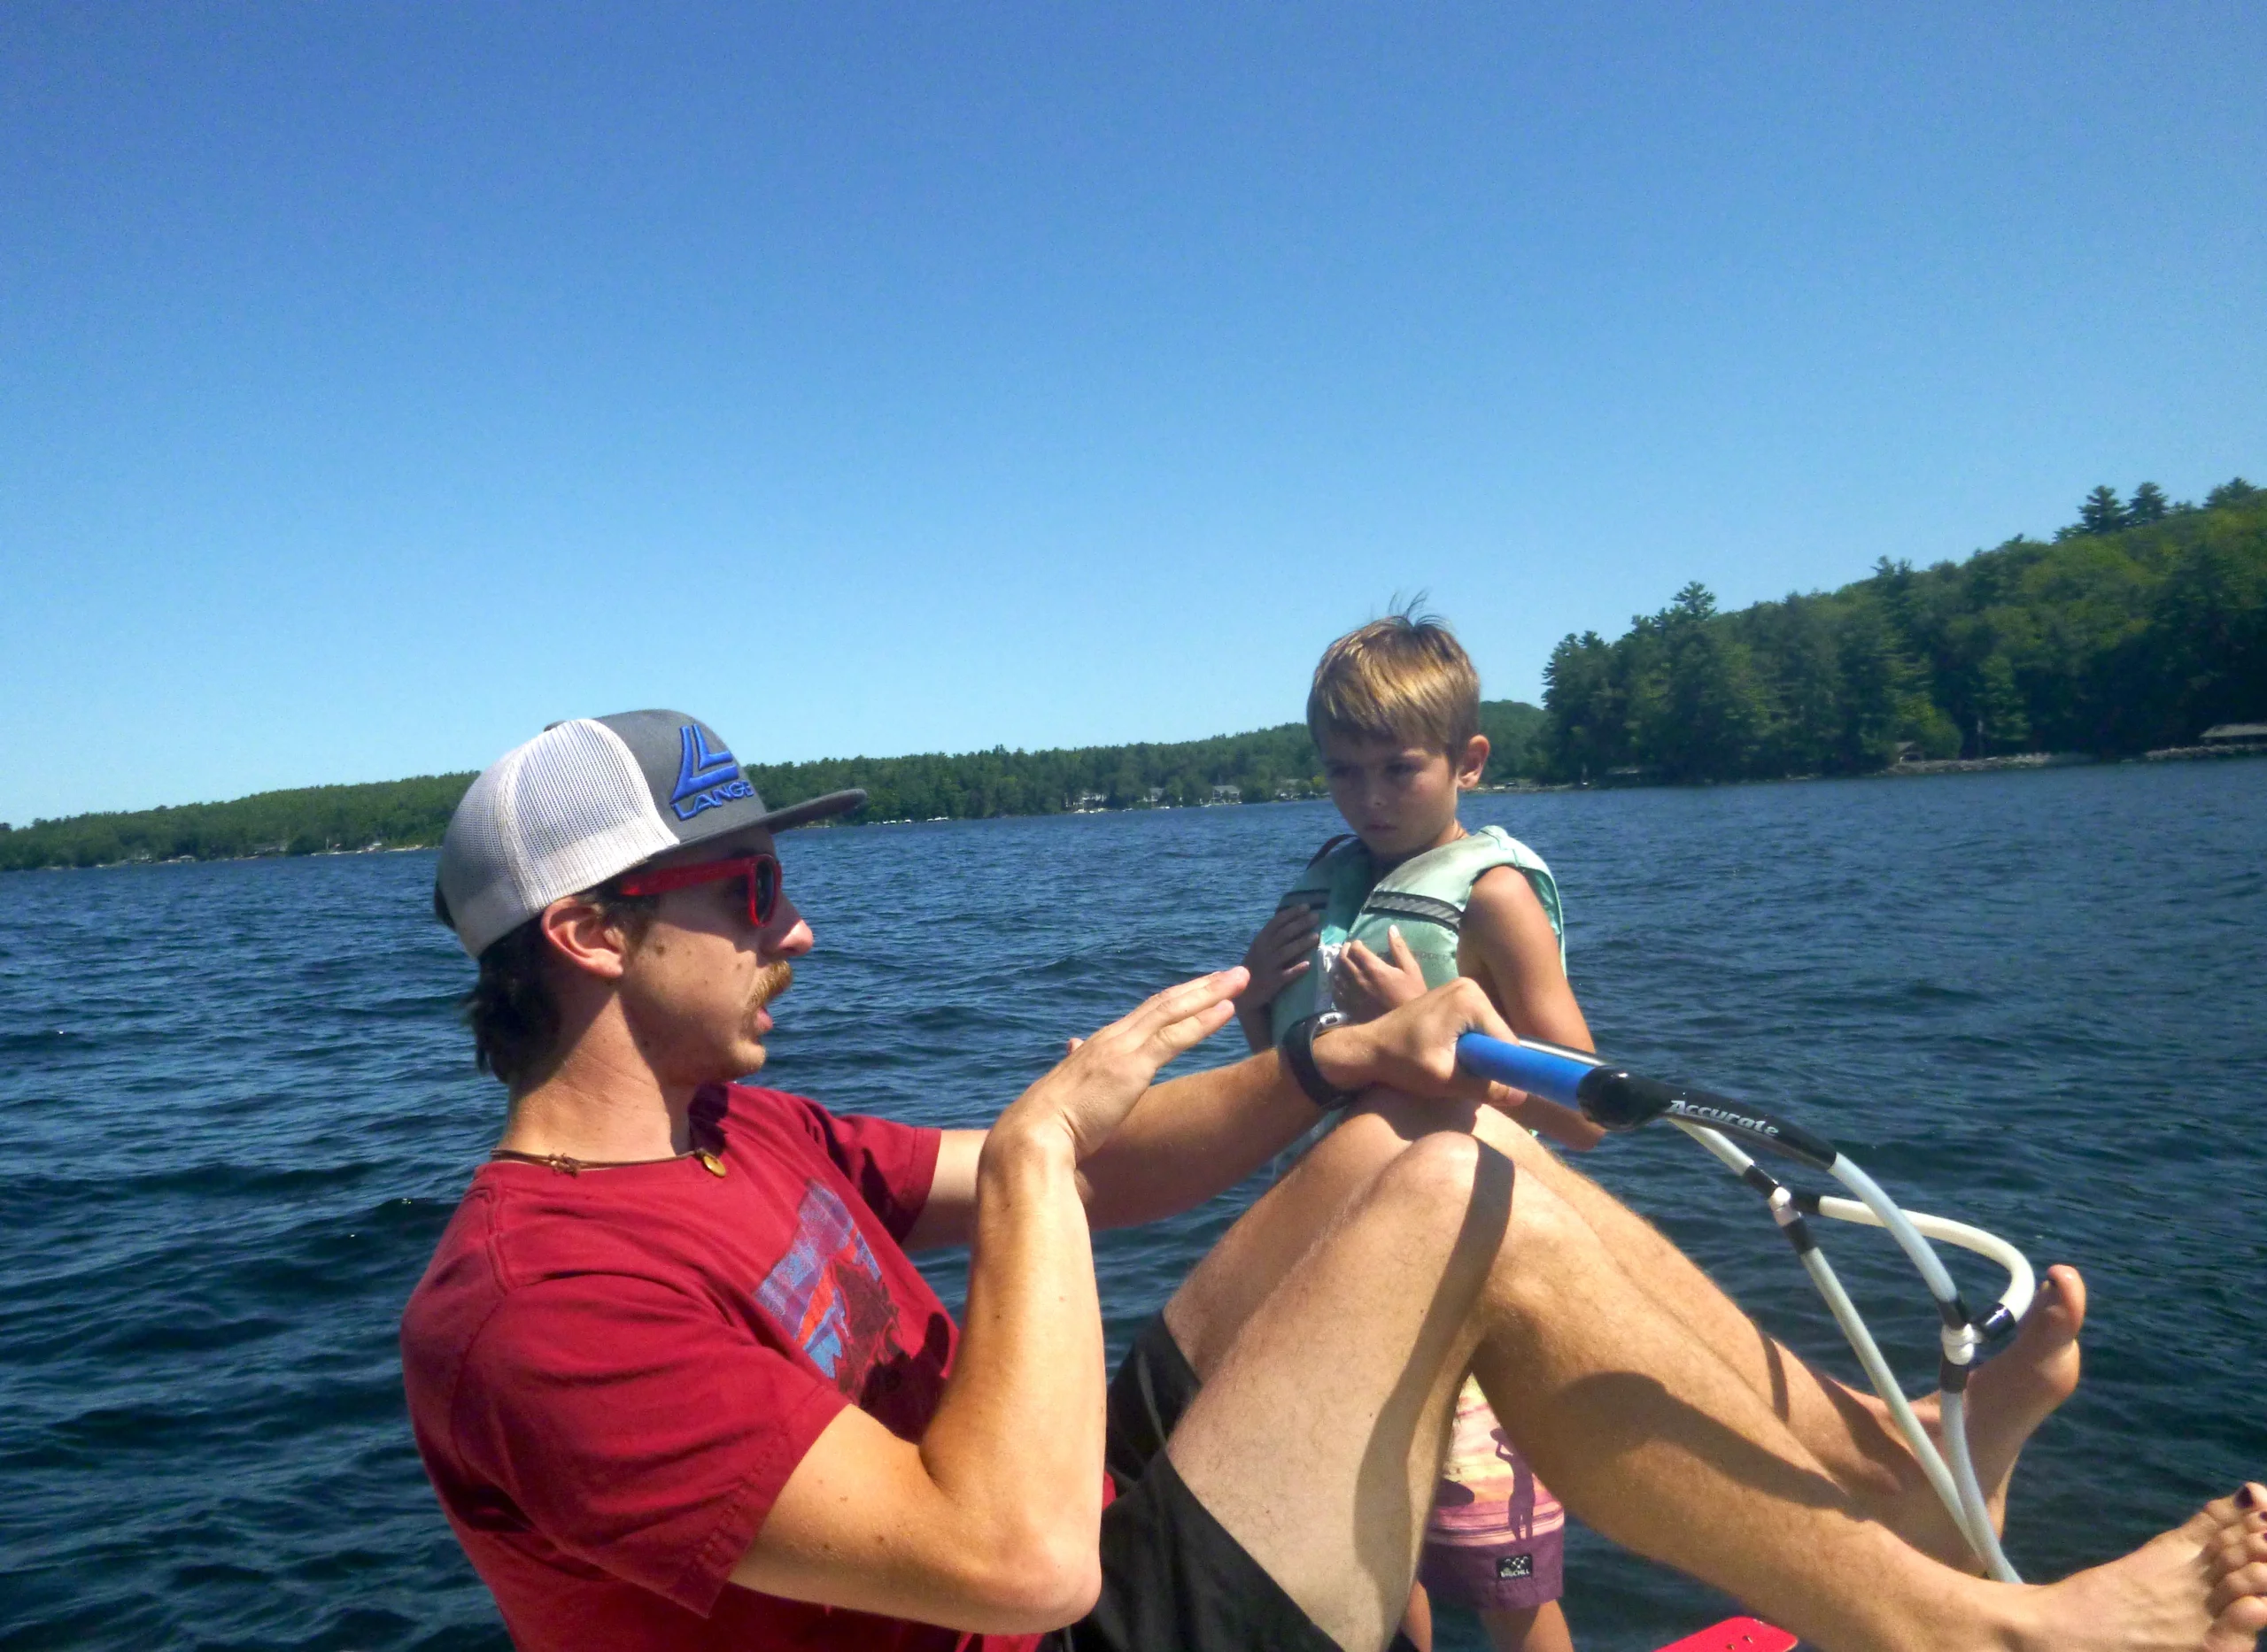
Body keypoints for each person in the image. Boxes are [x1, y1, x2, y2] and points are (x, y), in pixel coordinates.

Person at [400, 706, 2267, 1652]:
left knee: (1409, 1147)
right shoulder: (540, 1307)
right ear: (585, 935)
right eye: (744, 896)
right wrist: (1044, 1150)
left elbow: (1087, 1186)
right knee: (1469, 1201)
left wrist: (1317, 1066)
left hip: (1025, 1541)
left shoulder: (745, 1127)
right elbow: (1022, 1560)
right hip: (1024, 1605)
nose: (793, 930)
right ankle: (2000, 1633)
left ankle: (1897, 1471)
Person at [1234, 610, 1601, 1652]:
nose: (1369, 800)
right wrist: (1258, 999)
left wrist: (1437, 1041)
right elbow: (1280, 1072)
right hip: (1341, 1261)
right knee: (1370, 1550)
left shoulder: (1489, 900)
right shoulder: (1326, 883)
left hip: (1469, 1269)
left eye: (1398, 770)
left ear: (1466, 762)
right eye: (1342, 773)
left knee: (1504, 1570)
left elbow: (1585, 1115)